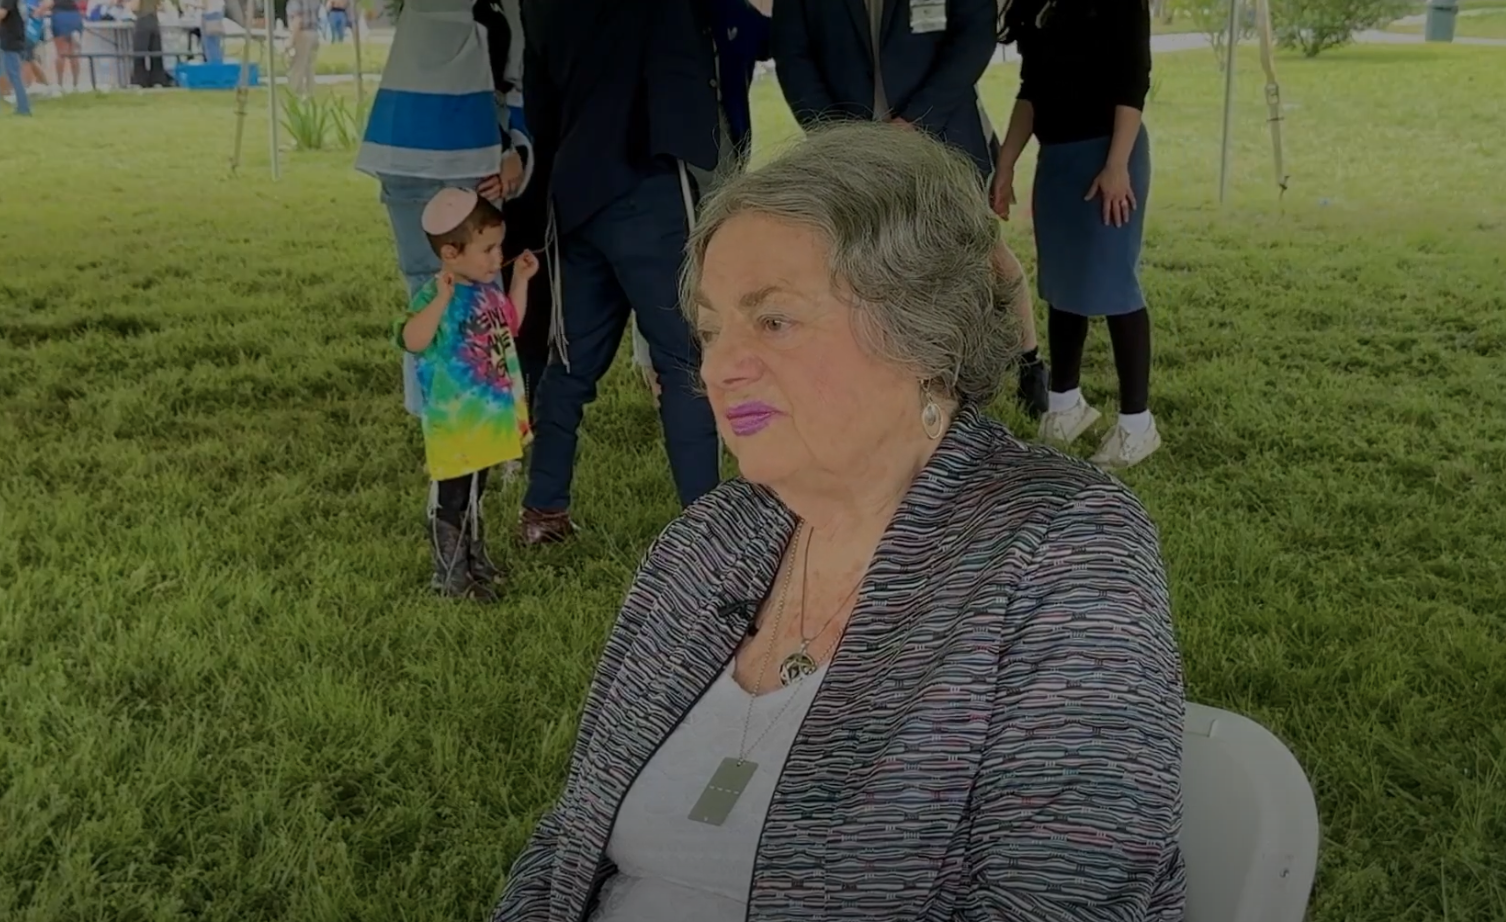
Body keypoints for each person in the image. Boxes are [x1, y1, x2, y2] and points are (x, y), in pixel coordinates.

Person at [490, 122, 1185, 922]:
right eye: (712, 329)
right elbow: (569, 838)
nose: (720, 367)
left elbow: (1058, 899)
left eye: (773, 321)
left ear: (917, 329)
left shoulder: (1063, 549)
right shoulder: (710, 541)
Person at [770, 0, 1051, 420]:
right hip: (854, 154)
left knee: (982, 256)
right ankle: (904, 376)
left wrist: (914, 119)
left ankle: (1028, 361)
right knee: (873, 264)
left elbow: (972, 38)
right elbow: (794, 57)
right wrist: (837, 137)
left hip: (945, 137)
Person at [516, 0, 726, 544]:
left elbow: (539, 107)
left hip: (577, 187)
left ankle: (543, 512)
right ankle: (703, 526)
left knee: (568, 363)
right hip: (648, 184)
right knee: (683, 362)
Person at [993, 0, 1158, 467]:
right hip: (1058, 160)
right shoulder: (1034, 4)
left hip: (1108, 157)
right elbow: (1032, 91)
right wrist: (1006, 161)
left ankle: (1137, 424)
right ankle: (1064, 406)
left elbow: (1133, 80)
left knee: (1114, 284)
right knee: (1061, 285)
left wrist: (1117, 164)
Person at [356, 0, 531, 420]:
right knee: (453, 287)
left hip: (428, 157)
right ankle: (455, 418)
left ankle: (456, 415)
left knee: (455, 286)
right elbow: (514, 81)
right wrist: (514, 148)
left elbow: (513, 82)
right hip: (446, 160)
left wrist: (516, 151)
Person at [396, 188, 541, 600]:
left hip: (487, 417)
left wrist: (522, 281)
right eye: (489, 248)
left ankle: (474, 561)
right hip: (456, 421)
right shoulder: (435, 295)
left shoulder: (487, 291)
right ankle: (450, 576)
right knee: (453, 494)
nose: (499, 256)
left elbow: (509, 326)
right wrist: (440, 302)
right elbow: (412, 339)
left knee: (476, 489)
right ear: (450, 253)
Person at [0, 0, 33, 113]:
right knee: (14, 73)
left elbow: (2, 13)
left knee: (14, 75)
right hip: (17, 38)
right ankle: (22, 105)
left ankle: (23, 107)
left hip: (11, 40)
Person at [125, 0, 173, 88]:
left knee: (139, 53)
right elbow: (161, 6)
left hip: (142, 20)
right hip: (154, 21)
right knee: (156, 53)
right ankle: (158, 81)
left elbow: (135, 7)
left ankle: (139, 81)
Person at [285, 0, 322, 96]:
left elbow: (297, 19)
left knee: (297, 69)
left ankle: (295, 96)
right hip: (314, 32)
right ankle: (310, 96)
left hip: (301, 34)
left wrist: (291, 40)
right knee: (309, 69)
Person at [45, 0, 82, 91]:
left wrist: (38, 11)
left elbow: (48, 2)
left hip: (60, 15)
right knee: (74, 53)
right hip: (74, 15)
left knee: (61, 52)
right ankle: (76, 84)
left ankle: (60, 84)